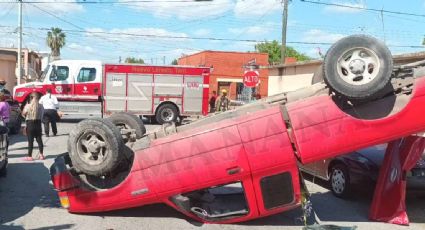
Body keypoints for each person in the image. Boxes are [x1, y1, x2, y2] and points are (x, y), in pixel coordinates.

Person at [22, 92, 44, 161]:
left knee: (30, 141)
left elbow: (23, 114)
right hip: (38, 123)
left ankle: (30, 156)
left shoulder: (28, 106)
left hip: (30, 124)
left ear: (31, 98)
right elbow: (42, 116)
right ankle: (41, 155)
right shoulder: (41, 106)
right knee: (39, 140)